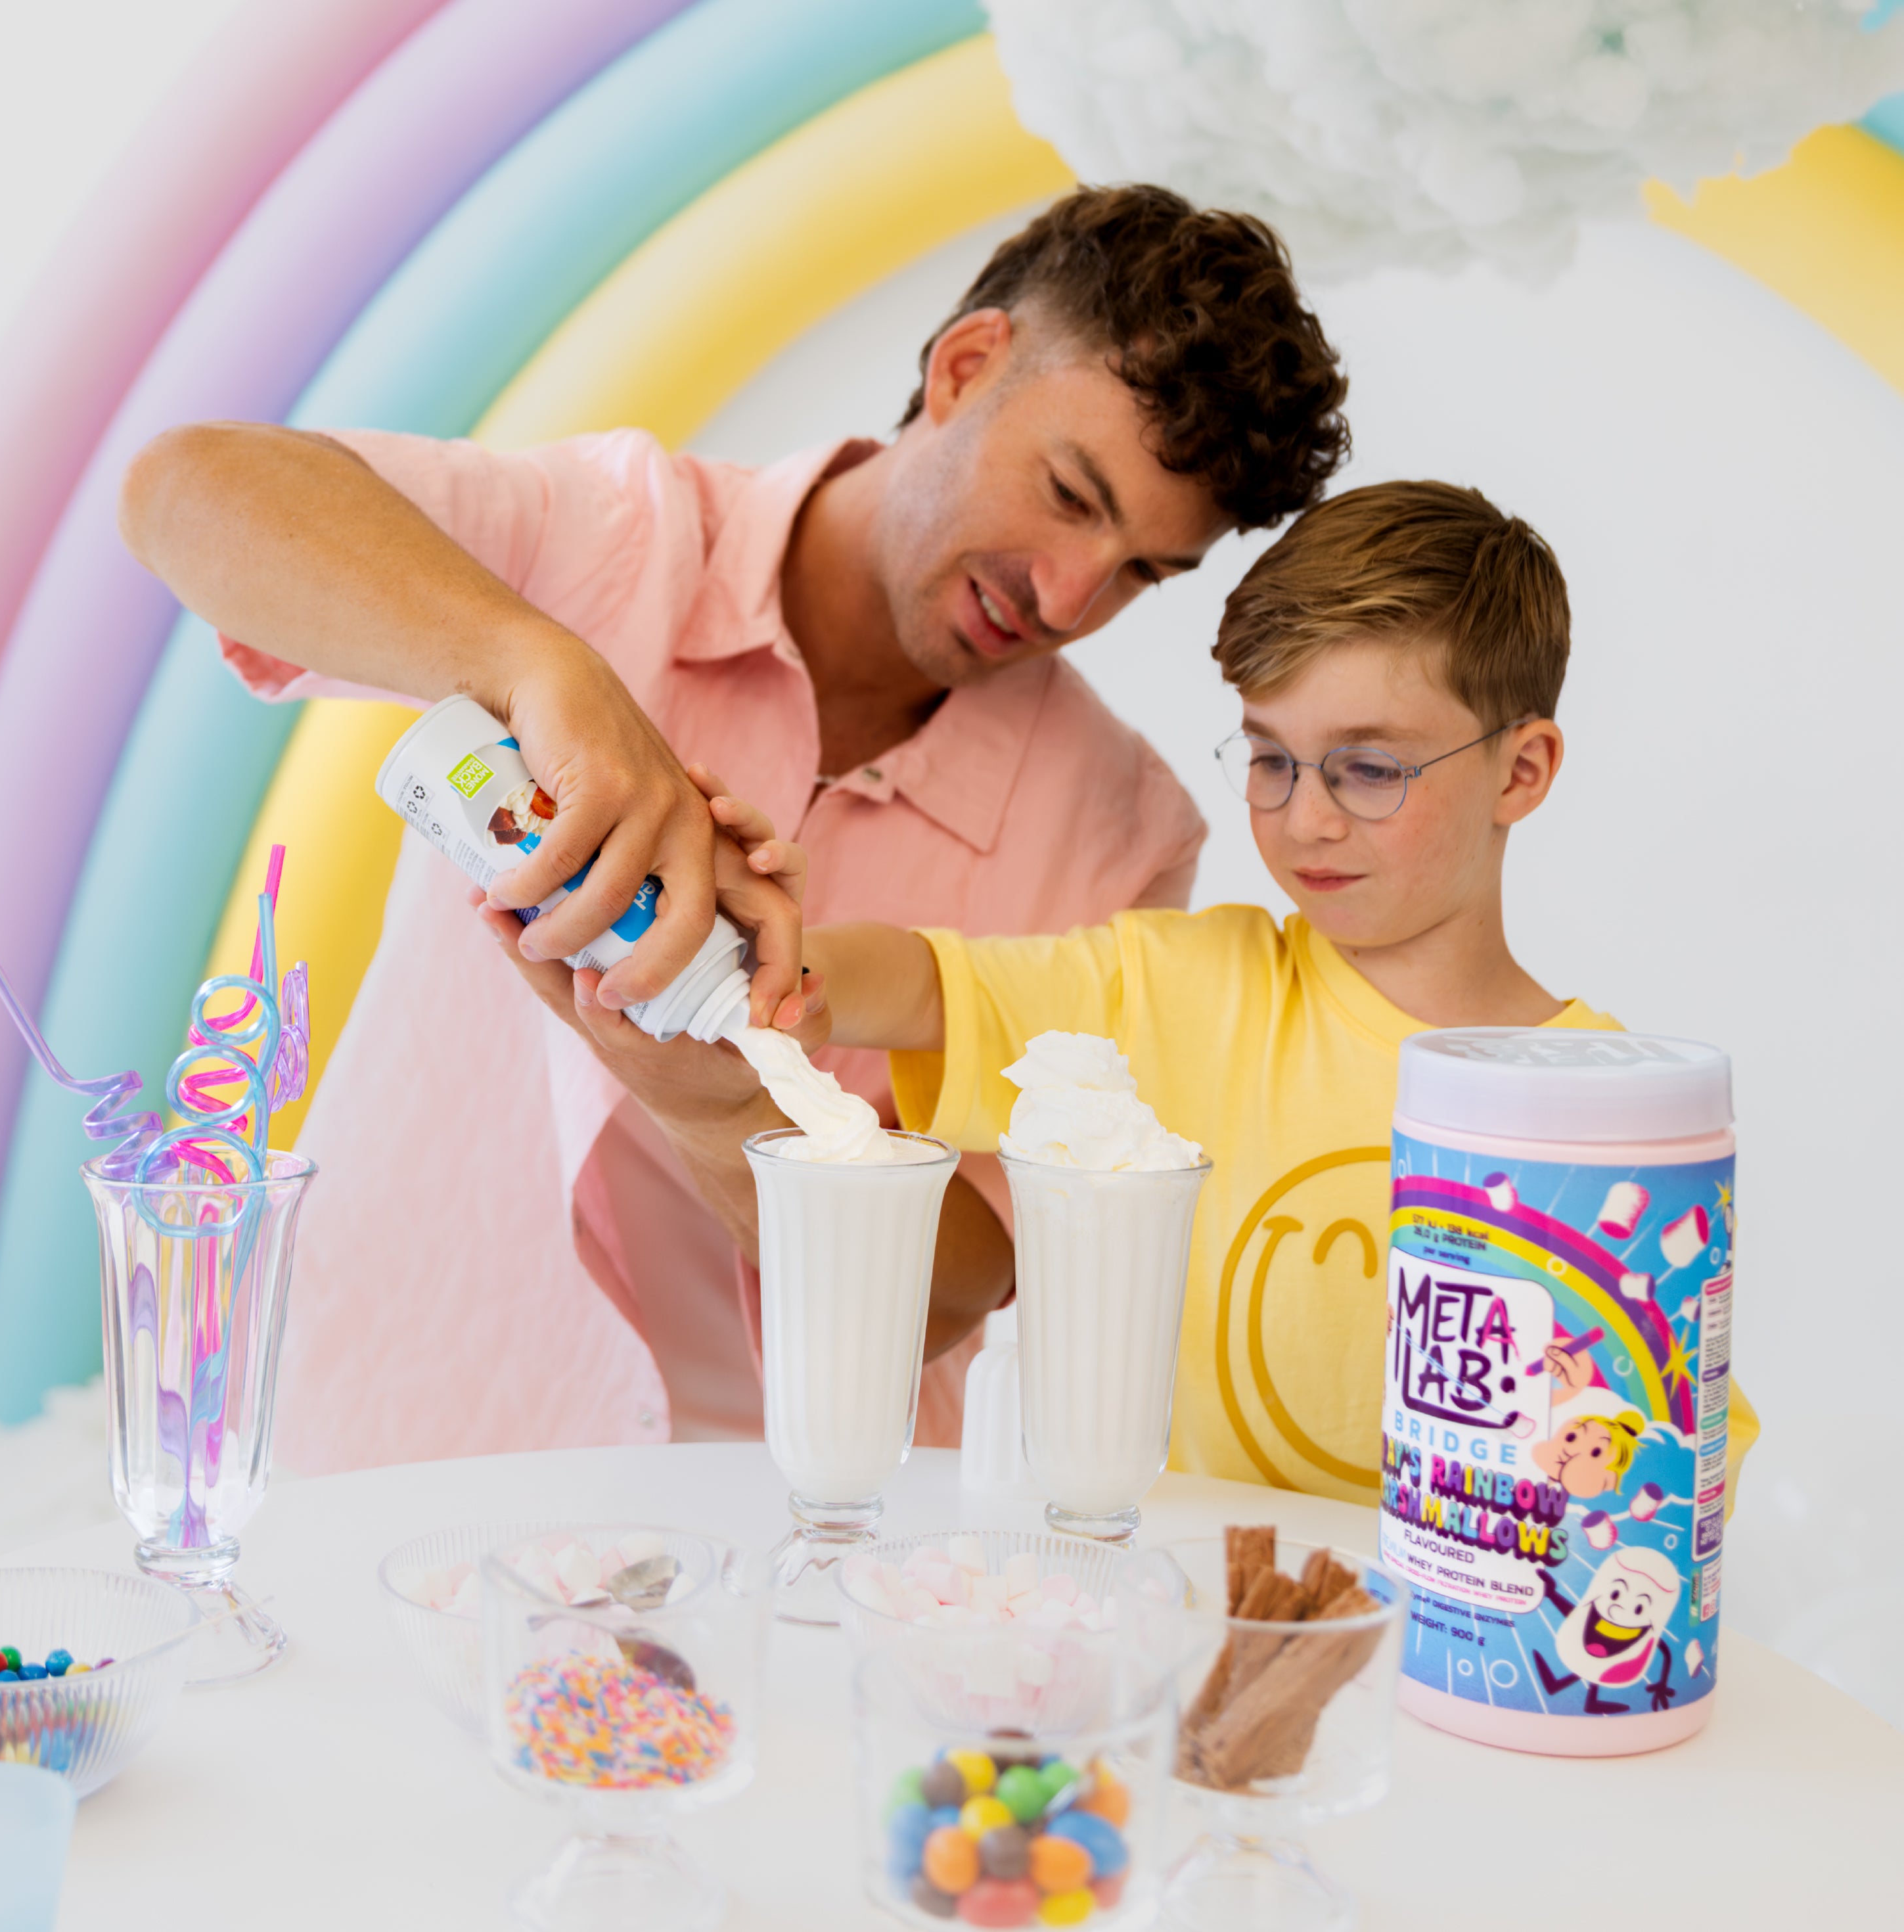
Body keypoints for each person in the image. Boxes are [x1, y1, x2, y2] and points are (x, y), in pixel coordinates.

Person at [118, 185, 1349, 1467]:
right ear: (965, 366)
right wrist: (544, 667)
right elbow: (186, 487)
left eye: (1144, 570)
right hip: (404, 1445)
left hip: (797, 1527)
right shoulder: (609, 536)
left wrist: (723, 1113)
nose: (1069, 597)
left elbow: (948, 1296)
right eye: (1069, 494)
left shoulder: (1123, 832)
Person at [498, 480, 1759, 1504]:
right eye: (1270, 760)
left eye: (1369, 769)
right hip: (1171, 1635)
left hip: (1451, 1655)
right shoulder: (1184, 985)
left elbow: (1666, 1456)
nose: (1305, 819)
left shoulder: (1617, 1118)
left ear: (1522, 772)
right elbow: (931, 982)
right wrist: (781, 960)